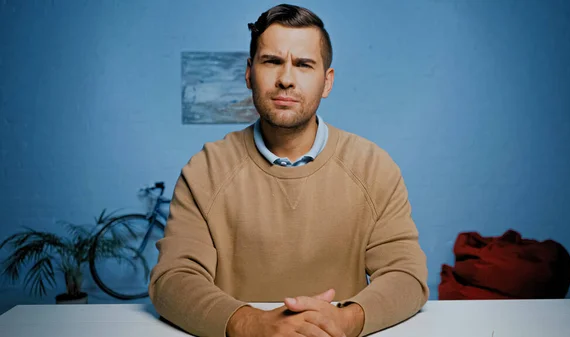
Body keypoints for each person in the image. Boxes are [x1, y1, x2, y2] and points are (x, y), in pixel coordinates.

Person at [149, 4, 429, 337]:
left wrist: (346, 320)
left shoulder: (374, 167)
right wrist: (251, 324)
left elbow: (407, 275)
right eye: (272, 61)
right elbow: (172, 280)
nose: (286, 78)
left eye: (304, 64)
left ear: (327, 82)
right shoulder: (205, 170)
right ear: (249, 73)